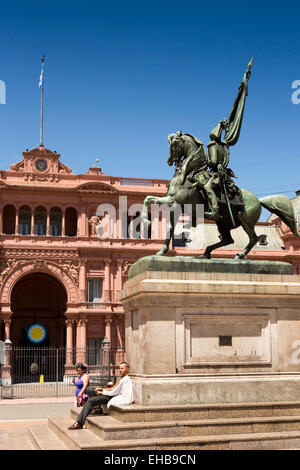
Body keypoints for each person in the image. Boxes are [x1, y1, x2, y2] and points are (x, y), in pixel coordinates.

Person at [68, 362, 133, 430]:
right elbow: (113, 388)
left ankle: (79, 423)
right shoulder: (121, 378)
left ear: (127, 369)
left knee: (90, 401)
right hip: (109, 394)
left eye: (122, 368)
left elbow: (114, 392)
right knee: (89, 389)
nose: (120, 370)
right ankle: (97, 409)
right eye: (119, 368)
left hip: (111, 397)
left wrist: (102, 392)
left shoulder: (126, 379)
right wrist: (102, 389)